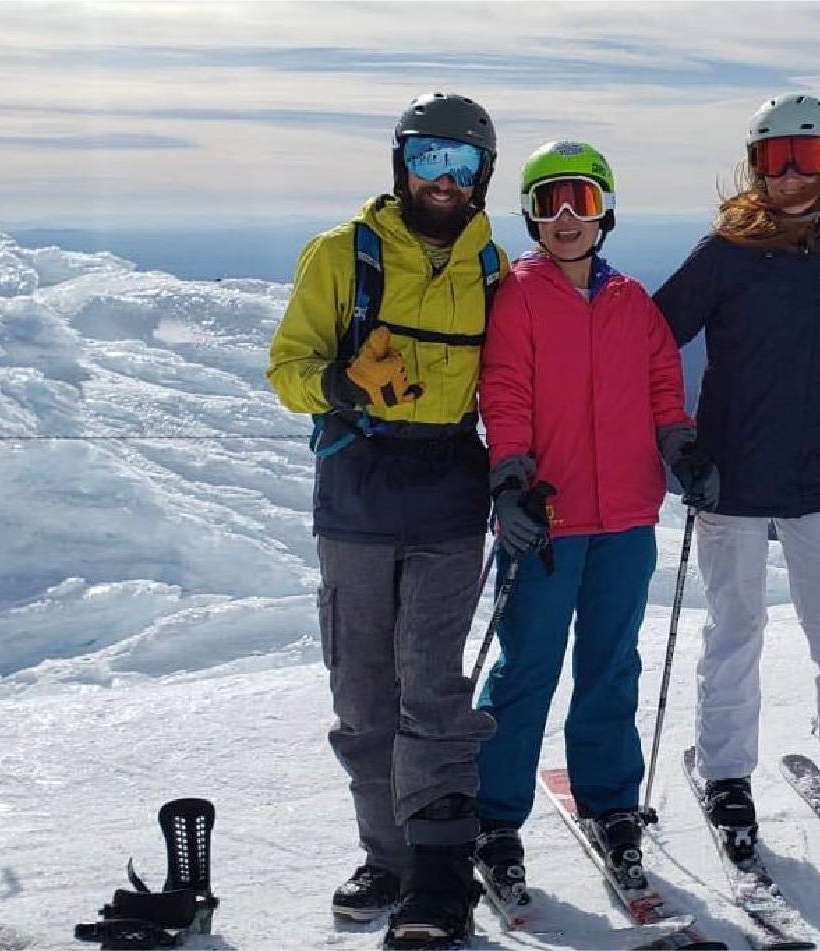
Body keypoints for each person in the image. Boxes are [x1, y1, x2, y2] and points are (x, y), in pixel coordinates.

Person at [265, 92, 507, 948]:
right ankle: (388, 857)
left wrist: (518, 476)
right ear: (401, 162)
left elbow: (510, 391)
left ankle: (441, 875)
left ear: (483, 176)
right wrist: (339, 384)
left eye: (462, 164)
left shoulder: (492, 268)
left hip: (448, 492)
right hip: (358, 492)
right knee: (363, 691)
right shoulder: (342, 255)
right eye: (428, 160)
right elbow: (287, 366)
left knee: (431, 689)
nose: (443, 180)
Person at [653, 92, 820, 853]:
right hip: (731, 478)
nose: (791, 174)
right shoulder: (723, 254)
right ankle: (727, 774)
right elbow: (653, 340)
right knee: (735, 628)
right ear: (755, 167)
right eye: (774, 159)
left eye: (807, 157)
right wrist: (677, 441)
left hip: (817, 477)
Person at [470, 140, 712, 893]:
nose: (566, 216)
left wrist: (681, 447)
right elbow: (503, 391)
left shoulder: (630, 300)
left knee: (610, 666)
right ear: (530, 216)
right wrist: (509, 481)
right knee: (528, 668)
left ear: (606, 208)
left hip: (626, 518)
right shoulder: (517, 293)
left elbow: (662, 388)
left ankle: (610, 802)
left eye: (580, 198)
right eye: (548, 202)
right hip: (546, 520)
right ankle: (493, 816)